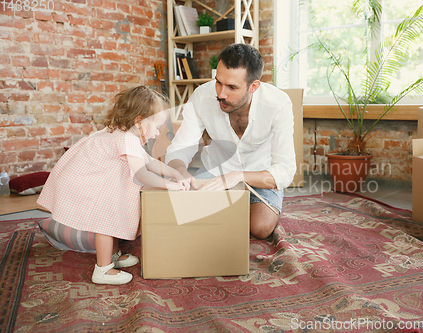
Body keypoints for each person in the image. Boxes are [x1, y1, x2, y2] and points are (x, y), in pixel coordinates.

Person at [37, 86, 189, 285]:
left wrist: (174, 172)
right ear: (139, 121)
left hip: (104, 183)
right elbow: (143, 174)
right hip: (92, 184)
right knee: (107, 224)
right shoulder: (126, 139)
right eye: (157, 126)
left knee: (116, 217)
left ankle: (113, 255)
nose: (159, 131)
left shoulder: (126, 135)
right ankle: (103, 269)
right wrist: (168, 185)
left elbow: (150, 162)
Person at [165, 43, 296, 240]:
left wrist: (238, 176)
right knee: (175, 216)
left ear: (254, 86)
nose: (220, 94)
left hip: (259, 177)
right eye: (218, 82)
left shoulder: (278, 104)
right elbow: (180, 148)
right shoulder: (202, 96)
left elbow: (285, 170)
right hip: (214, 174)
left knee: (260, 228)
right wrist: (181, 171)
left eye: (232, 87)